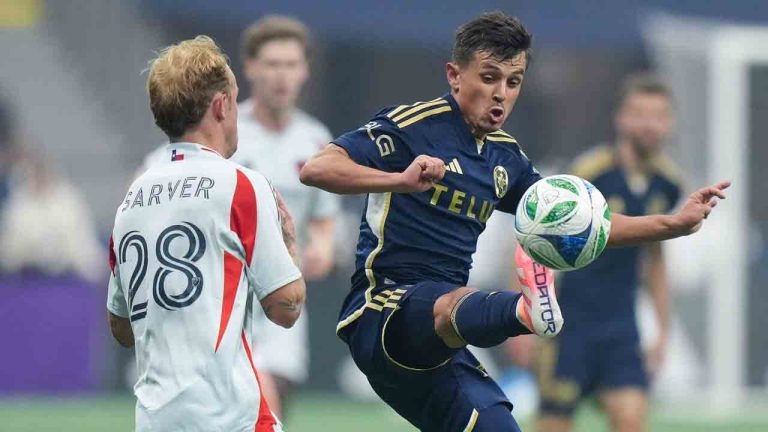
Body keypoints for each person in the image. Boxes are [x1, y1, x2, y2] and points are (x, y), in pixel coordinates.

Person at [299, 12, 728, 432]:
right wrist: (399, 179)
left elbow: (585, 227)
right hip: (384, 313)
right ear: (454, 75)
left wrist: (671, 224)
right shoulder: (413, 127)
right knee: (448, 304)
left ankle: (522, 310)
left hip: (444, 346)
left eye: (513, 82)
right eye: (489, 78)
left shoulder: (506, 158)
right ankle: (523, 310)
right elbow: (318, 168)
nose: (501, 93)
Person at [106, 36, 305, 432]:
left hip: (154, 420)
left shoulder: (131, 198)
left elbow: (121, 327)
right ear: (221, 105)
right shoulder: (241, 184)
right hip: (230, 418)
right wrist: (290, 246)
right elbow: (286, 308)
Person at [535, 73, 683, 432]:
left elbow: (656, 260)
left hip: (621, 330)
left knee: (632, 421)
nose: (649, 124)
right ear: (621, 118)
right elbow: (537, 239)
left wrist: (662, 331)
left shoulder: (669, 184)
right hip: (570, 327)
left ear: (670, 122)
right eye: (640, 113)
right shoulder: (590, 173)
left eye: (659, 115)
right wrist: (529, 313)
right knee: (553, 425)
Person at [232, 15, 339, 415]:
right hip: (230, 292)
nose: (282, 75)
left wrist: (323, 248)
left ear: (304, 71)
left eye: (291, 64)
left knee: (277, 402)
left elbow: (323, 218)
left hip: (285, 294)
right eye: (272, 64)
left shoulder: (315, 139)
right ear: (250, 68)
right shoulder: (226, 132)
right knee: (253, 402)